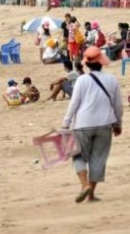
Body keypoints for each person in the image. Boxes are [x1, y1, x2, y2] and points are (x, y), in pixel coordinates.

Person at [62, 46, 123, 203]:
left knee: (78, 156)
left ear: (87, 65)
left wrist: (66, 123)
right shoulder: (111, 79)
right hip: (105, 124)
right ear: (102, 62)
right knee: (98, 158)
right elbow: (118, 106)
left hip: (82, 124)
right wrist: (118, 123)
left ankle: (84, 185)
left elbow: (74, 103)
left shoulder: (82, 80)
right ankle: (91, 193)